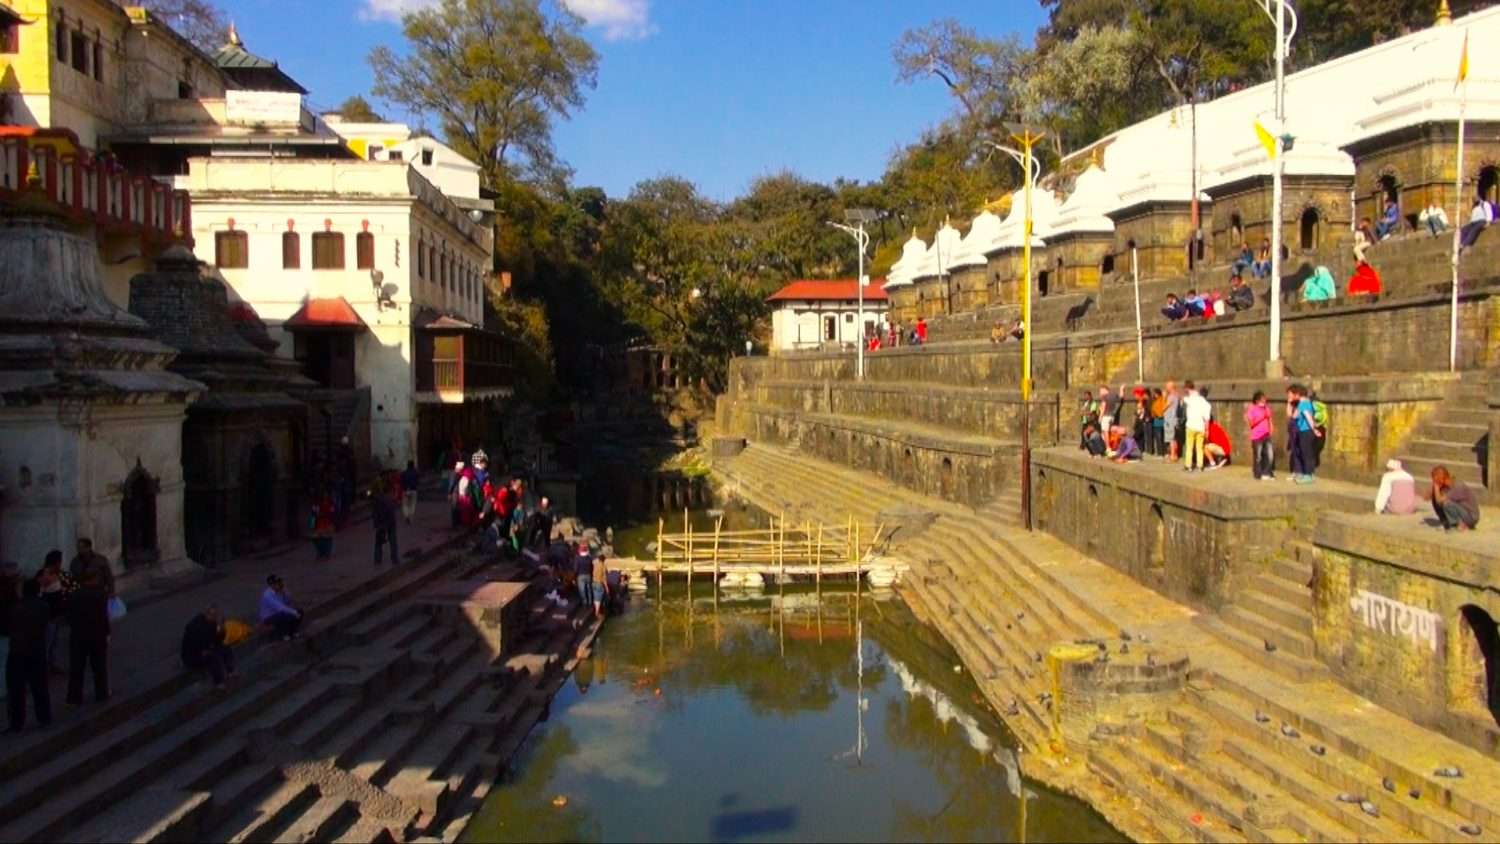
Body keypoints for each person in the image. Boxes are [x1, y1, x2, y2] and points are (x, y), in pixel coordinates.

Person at [6, 579, 52, 732]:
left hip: (18, 652)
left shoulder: (15, 608)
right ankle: (44, 717)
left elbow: (7, 627)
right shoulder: (43, 606)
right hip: (37, 650)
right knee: (40, 686)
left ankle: (16, 722)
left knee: (16, 689)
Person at [65, 569, 110, 706]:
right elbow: (104, 617)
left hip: (78, 636)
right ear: (92, 579)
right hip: (97, 635)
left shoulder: (73, 595)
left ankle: (74, 697)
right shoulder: (100, 595)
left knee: (77, 668)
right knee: (99, 667)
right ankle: (101, 693)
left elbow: (69, 617)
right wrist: (107, 632)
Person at [35, 550, 74, 674]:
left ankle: (52, 664)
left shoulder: (60, 574)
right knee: (47, 642)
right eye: (59, 561)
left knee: (54, 642)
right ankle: (43, 668)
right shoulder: (44, 575)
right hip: (48, 616)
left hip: (57, 615)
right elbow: (40, 593)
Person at [181, 604, 236, 689]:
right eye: (215, 616)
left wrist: (221, 629)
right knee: (212, 658)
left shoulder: (213, 623)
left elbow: (218, 640)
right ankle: (219, 683)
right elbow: (197, 644)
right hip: (193, 655)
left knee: (225, 648)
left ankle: (230, 671)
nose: (217, 618)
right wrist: (208, 649)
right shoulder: (195, 625)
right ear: (208, 614)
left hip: (206, 647)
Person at [1287, 385, 1321, 484]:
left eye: (1294, 394)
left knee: (1306, 453)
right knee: (1307, 453)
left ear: (1298, 394)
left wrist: (1314, 429)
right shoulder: (1308, 403)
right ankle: (1308, 474)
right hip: (1306, 431)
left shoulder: (1303, 404)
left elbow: (1307, 417)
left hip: (1305, 431)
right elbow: (1294, 415)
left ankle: (1308, 475)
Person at [1430, 466, 1480, 530]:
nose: (1434, 482)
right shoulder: (1447, 486)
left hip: (1471, 517)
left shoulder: (1457, 486)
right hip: (1463, 512)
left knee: (1446, 503)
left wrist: (1436, 487)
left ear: (1441, 479)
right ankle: (1446, 521)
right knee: (1436, 496)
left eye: (1435, 480)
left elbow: (1439, 500)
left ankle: (1456, 524)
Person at [259, 575, 303, 641]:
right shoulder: (267, 595)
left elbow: (288, 602)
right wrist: (294, 612)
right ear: (272, 585)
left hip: (279, 613)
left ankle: (293, 631)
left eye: (280, 582)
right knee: (287, 615)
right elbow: (280, 607)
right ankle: (284, 634)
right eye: (277, 583)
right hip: (269, 616)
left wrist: (285, 593)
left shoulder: (280, 591)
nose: (280, 584)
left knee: (299, 611)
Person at [1181, 381, 1211, 472]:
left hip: (1190, 426)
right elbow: (1207, 419)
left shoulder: (1191, 399)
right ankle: (1200, 465)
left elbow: (1183, 398)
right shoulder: (1207, 404)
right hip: (1201, 427)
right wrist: (1207, 430)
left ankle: (1188, 465)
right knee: (1199, 447)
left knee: (1189, 447)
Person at [1245, 391, 1276, 480]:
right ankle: (1258, 474)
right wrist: (1262, 417)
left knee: (1270, 454)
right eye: (1263, 399)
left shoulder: (1266, 408)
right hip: (1257, 436)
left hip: (1266, 434)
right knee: (1258, 456)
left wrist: (1271, 428)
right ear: (1257, 400)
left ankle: (1267, 472)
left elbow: (1269, 419)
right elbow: (1251, 424)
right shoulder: (1252, 409)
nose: (1265, 400)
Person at [371, 475, 400, 566]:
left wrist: (376, 524)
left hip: (382, 523)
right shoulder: (389, 499)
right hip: (389, 522)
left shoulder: (378, 499)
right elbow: (391, 510)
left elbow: (375, 513)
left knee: (379, 543)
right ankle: (394, 559)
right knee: (392, 542)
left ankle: (377, 559)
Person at [310, 493, 335, 561]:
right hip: (319, 524)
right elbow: (313, 515)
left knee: (327, 539)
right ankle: (321, 552)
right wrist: (312, 525)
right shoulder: (316, 504)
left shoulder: (330, 503)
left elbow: (332, 513)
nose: (325, 495)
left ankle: (326, 553)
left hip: (328, 523)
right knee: (316, 538)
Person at [1163, 381, 1182, 462]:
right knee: (1174, 438)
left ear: (1170, 387)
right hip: (1174, 419)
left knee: (1171, 439)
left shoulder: (1171, 397)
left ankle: (1173, 456)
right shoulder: (1177, 395)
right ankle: (1175, 455)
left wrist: (1164, 397)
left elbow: (1163, 408)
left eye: (1166, 386)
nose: (1165, 388)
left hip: (1169, 420)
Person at [572, 541, 595, 610]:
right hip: (588, 575)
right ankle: (590, 603)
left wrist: (574, 577)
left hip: (580, 576)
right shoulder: (589, 557)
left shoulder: (577, 558)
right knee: (589, 589)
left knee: (582, 590)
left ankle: (585, 603)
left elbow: (575, 569)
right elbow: (592, 567)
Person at [399, 461, 421, 525]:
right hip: (413, 490)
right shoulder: (416, 473)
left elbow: (401, 482)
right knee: (412, 504)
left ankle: (406, 515)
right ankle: (410, 516)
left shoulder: (403, 473)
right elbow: (417, 482)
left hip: (405, 490)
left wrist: (404, 487)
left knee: (405, 504)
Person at [590, 550, 610, 618]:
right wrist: (607, 588)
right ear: (604, 560)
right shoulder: (603, 566)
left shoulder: (595, 565)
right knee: (598, 599)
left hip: (593, 582)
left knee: (595, 598)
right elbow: (604, 578)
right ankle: (597, 613)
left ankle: (597, 611)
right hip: (599, 583)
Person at [1149, 388, 1168, 458]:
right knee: (1162, 437)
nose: (1154, 395)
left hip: (1158, 420)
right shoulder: (1162, 400)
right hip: (1161, 420)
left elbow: (1155, 410)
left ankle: (1160, 453)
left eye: (1155, 394)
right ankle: (1164, 452)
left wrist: (1155, 414)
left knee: (1159, 437)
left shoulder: (1158, 401)